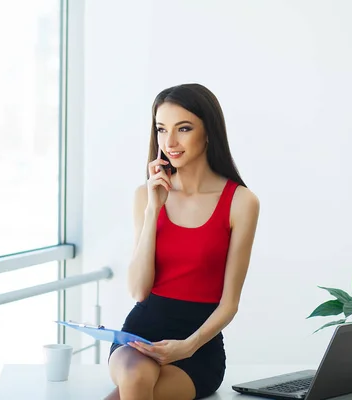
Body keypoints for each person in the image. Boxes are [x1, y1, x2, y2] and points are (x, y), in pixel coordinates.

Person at [105, 83, 260, 400]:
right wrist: (153, 211)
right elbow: (138, 290)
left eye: (183, 128)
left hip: (197, 348)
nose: (170, 142)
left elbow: (229, 303)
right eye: (161, 129)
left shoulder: (241, 202)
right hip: (140, 336)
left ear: (208, 132)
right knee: (134, 377)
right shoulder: (145, 196)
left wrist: (186, 346)